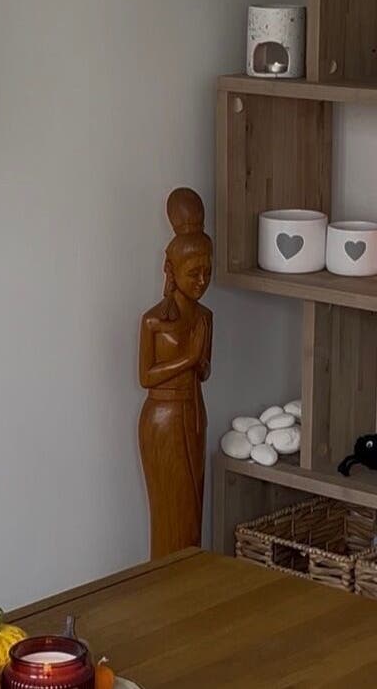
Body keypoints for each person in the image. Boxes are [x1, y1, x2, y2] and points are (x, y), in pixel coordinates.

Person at [137, 188, 212, 559]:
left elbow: (206, 370)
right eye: (193, 273)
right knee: (169, 512)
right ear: (172, 271)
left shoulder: (205, 318)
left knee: (194, 513)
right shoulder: (153, 320)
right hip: (162, 420)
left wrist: (198, 361)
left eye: (207, 273)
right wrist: (188, 358)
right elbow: (146, 377)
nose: (201, 282)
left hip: (194, 415)